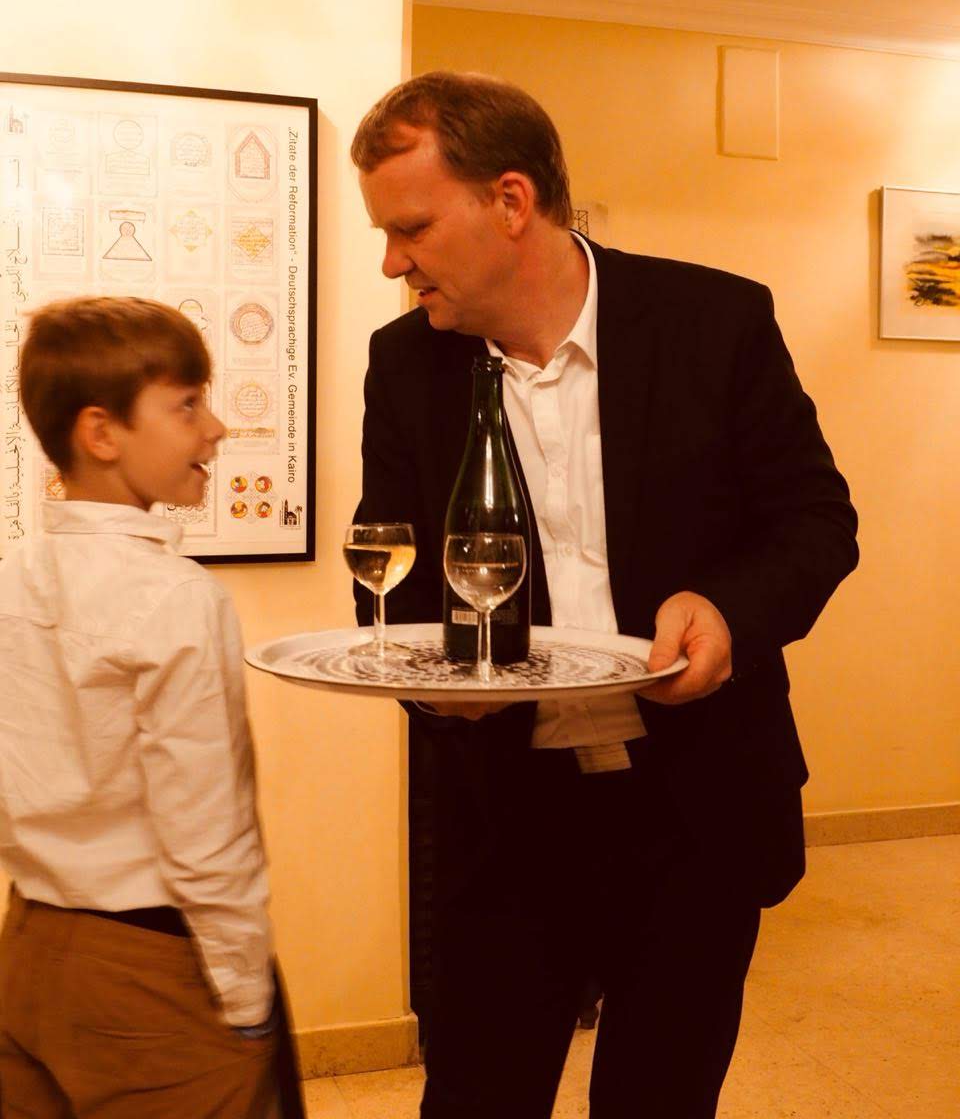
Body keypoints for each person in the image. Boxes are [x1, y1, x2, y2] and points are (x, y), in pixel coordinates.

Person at [350, 72, 859, 1119]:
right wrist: (429, 681)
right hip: (505, 814)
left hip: (697, 807)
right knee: (477, 1098)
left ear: (510, 201)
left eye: (410, 228)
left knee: (660, 1098)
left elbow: (816, 522)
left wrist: (725, 610)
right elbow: (388, 575)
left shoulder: (715, 320)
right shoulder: (403, 365)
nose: (392, 262)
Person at [0, 297, 304, 1118]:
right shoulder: (175, 597)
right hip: (149, 973)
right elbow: (207, 835)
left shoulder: (11, 580)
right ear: (101, 433)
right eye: (187, 404)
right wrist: (246, 997)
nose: (216, 429)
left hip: (27, 950)